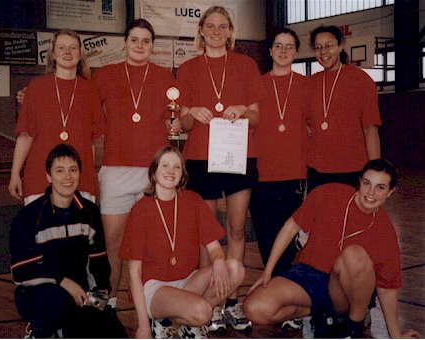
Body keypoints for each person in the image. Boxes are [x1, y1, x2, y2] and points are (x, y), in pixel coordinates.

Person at [243, 159, 420, 339]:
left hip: (343, 293)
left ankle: (353, 328)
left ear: (391, 192)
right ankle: (321, 314)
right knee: (254, 308)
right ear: (359, 182)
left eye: (380, 187)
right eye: (367, 184)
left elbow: (387, 288)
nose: (371, 193)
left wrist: (396, 335)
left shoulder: (385, 232)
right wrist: (268, 271)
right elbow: (291, 227)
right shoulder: (327, 194)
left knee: (354, 255)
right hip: (308, 275)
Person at [176, 6, 266, 331]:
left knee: (238, 230)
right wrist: (194, 112)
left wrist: (243, 109)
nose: (215, 31)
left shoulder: (245, 65)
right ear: (201, 31)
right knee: (207, 234)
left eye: (222, 26)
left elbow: (256, 117)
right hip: (201, 157)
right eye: (210, 26)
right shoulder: (187, 68)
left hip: (238, 154)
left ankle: (232, 300)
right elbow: (181, 121)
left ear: (230, 31)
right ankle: (211, 301)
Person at [92, 18, 180, 311]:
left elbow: (178, 116)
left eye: (146, 41)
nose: (139, 46)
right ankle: (110, 300)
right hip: (115, 171)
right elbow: (81, 103)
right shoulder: (106, 74)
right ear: (125, 42)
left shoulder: (166, 77)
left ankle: (154, 305)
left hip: (151, 172)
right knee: (112, 244)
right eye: (134, 40)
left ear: (152, 46)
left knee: (153, 244)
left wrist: (178, 122)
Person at [119, 145, 245, 339]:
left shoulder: (193, 201)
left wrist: (219, 260)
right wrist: (142, 326)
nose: (171, 171)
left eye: (177, 167)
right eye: (165, 166)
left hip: (188, 282)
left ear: (183, 174)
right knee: (203, 313)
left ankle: (174, 323)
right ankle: (167, 321)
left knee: (235, 269)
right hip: (155, 288)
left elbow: (214, 248)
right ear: (153, 172)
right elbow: (134, 273)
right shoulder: (141, 210)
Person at [9, 144, 127, 338]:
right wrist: (63, 282)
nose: (67, 177)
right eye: (60, 171)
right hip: (40, 292)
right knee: (57, 305)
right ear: (48, 176)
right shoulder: (29, 217)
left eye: (73, 170)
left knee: (114, 331)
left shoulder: (89, 213)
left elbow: (99, 264)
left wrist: (99, 297)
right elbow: (22, 270)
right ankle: (39, 331)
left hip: (81, 294)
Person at [248, 27, 312, 332]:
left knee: (290, 245)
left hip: (294, 176)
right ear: (270, 51)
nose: (284, 51)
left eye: (289, 47)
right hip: (262, 174)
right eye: (278, 46)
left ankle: (290, 302)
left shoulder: (306, 86)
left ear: (296, 52)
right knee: (266, 239)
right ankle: (275, 296)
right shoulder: (256, 85)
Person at [9, 29, 104, 205]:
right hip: (40, 179)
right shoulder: (36, 87)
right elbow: (25, 135)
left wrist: (91, 179)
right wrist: (15, 173)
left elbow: (91, 142)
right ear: (53, 54)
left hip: (79, 181)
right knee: (39, 232)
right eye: (61, 47)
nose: (67, 52)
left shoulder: (90, 91)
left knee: (79, 232)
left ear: (80, 54)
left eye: (73, 48)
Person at [307, 25, 381, 192]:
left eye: (328, 45)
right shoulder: (310, 83)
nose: (323, 51)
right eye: (317, 47)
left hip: (352, 169)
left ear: (340, 45)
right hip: (317, 171)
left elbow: (370, 130)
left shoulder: (361, 80)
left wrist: (375, 172)